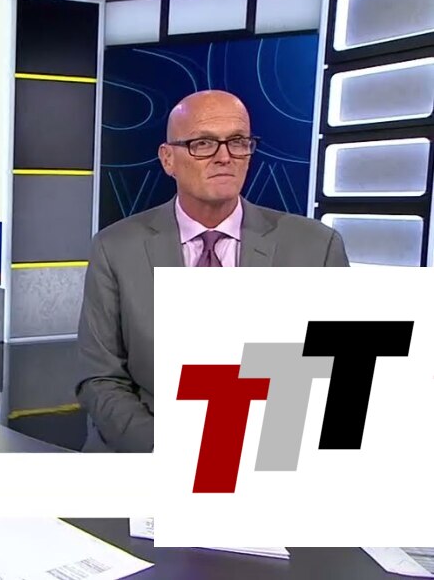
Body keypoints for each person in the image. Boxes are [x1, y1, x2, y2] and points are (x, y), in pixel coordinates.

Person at [74, 89, 349, 453]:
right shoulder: (116, 248)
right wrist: (172, 453)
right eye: (202, 143)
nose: (224, 157)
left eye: (238, 142)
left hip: (270, 452)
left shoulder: (316, 247)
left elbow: (338, 374)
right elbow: (100, 378)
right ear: (168, 159)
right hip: (148, 450)